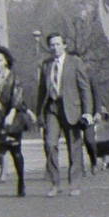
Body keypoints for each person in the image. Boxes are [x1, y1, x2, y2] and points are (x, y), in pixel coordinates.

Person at [35, 32, 93, 197]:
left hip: (71, 109)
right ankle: (55, 183)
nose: (55, 48)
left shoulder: (75, 62)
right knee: (50, 144)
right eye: (52, 45)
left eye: (58, 44)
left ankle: (74, 184)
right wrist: (39, 113)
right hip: (52, 109)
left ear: (64, 45)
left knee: (74, 147)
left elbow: (84, 88)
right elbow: (41, 90)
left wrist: (87, 112)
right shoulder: (46, 65)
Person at [0, 46, 33, 197]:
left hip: (11, 118)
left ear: (6, 61)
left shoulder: (14, 78)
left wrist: (11, 114)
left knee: (15, 152)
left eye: (0, 60)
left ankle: (21, 182)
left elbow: (17, 100)